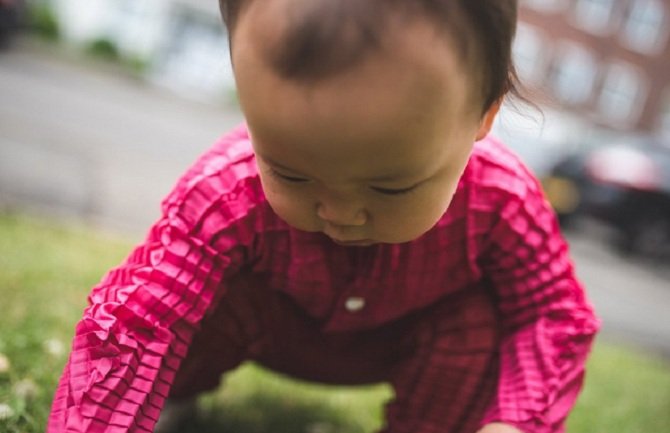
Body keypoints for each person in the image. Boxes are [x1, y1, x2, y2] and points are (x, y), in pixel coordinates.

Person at [47, 1, 600, 432]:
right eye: (291, 172)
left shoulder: (504, 199)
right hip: (266, 323)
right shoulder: (226, 189)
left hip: (409, 343)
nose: (339, 212)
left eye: (390, 185)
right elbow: (139, 322)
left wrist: (519, 420)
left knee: (477, 318)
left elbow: (554, 314)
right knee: (179, 296)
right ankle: (174, 396)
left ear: (484, 115)